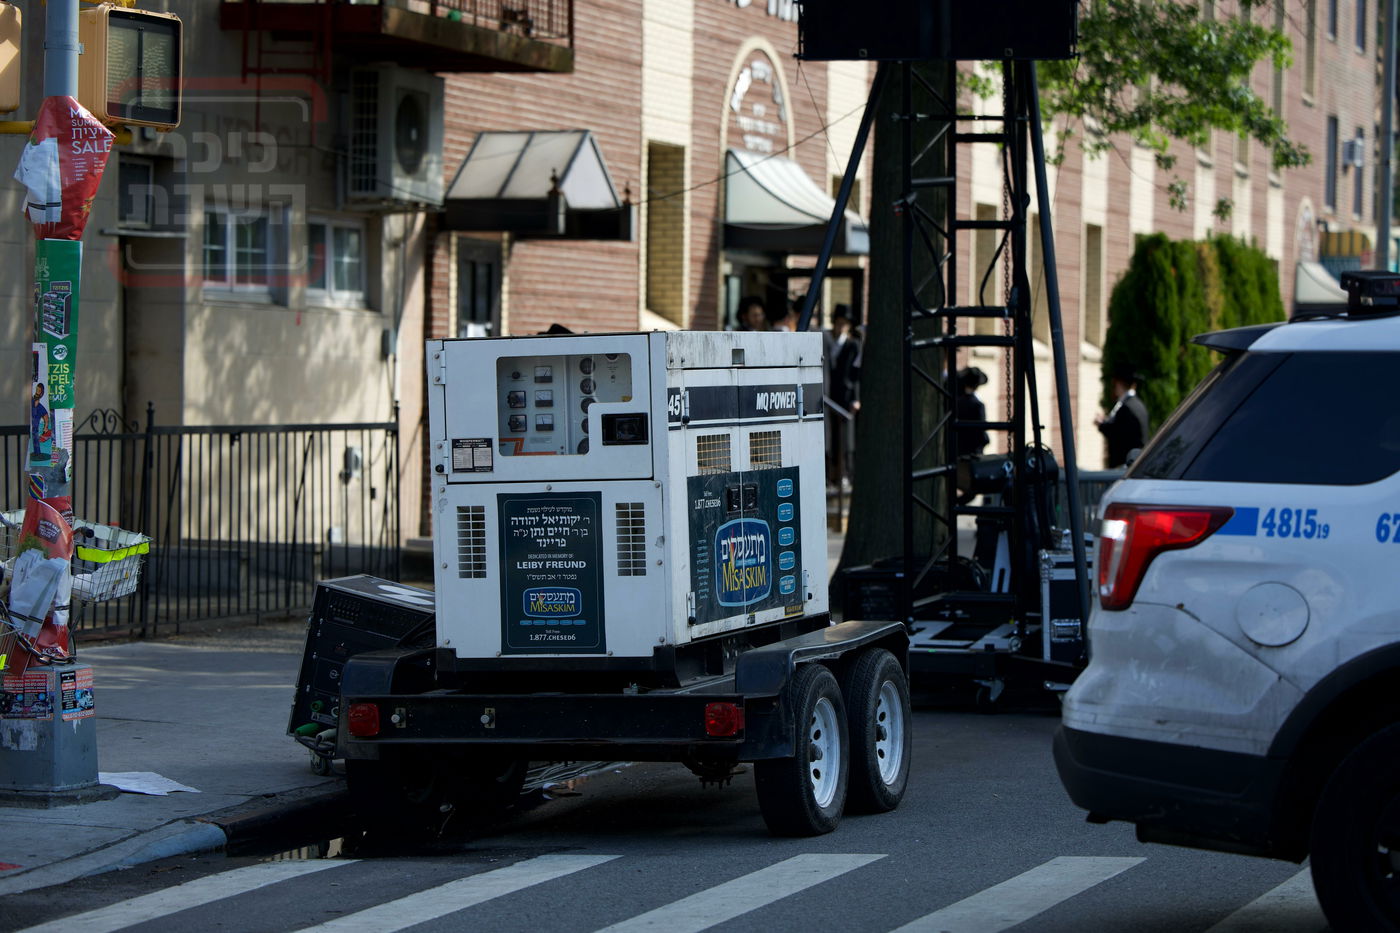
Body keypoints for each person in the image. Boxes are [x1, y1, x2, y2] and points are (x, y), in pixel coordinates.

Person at [824, 305, 861, 488]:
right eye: (839, 323)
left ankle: (845, 472)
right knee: (830, 435)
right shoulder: (826, 340)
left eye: (844, 324)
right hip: (830, 392)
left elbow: (855, 374)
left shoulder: (852, 344)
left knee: (846, 437)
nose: (841, 328)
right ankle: (832, 472)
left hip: (845, 395)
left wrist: (855, 398)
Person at [1097, 367, 1149, 468]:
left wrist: (1102, 425)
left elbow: (1118, 434)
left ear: (1119, 384)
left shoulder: (1126, 408)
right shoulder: (1138, 404)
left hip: (1125, 465)